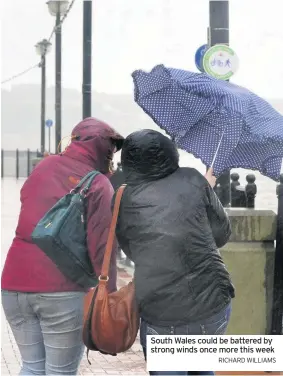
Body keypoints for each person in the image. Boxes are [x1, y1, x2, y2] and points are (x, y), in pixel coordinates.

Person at [1, 117, 123, 375]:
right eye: (111, 148)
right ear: (103, 149)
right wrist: (108, 295)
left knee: (32, 368)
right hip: (61, 289)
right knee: (60, 372)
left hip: (13, 284)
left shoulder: (43, 167)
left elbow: (29, 206)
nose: (112, 154)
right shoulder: (98, 184)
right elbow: (102, 246)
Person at [115, 129, 234, 376]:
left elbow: (131, 249)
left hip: (161, 311)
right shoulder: (193, 179)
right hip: (211, 302)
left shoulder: (123, 197)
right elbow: (221, 234)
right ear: (171, 153)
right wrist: (203, 189)